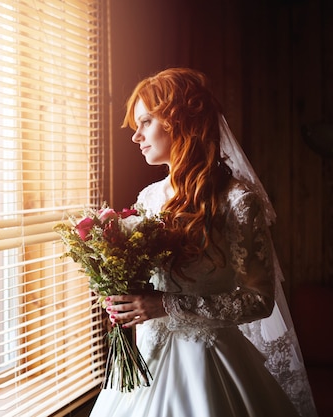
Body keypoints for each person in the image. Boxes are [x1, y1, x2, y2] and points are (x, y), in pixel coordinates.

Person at [89, 68, 318, 417]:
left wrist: (168, 306)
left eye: (145, 122)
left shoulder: (237, 201)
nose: (136, 137)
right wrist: (124, 299)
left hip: (209, 364)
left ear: (177, 121)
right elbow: (146, 284)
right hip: (146, 366)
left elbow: (259, 301)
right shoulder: (148, 199)